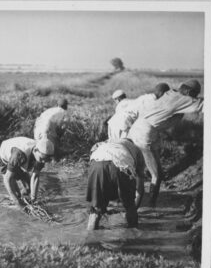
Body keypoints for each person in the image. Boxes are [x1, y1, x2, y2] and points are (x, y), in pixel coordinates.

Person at [127, 79, 203, 207]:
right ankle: (148, 205)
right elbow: (203, 105)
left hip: (136, 129)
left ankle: (137, 201)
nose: (194, 98)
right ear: (189, 92)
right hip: (145, 133)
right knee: (155, 175)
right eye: (194, 95)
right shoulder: (183, 98)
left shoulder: (170, 93)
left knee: (137, 168)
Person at [85, 138, 146, 230]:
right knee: (130, 206)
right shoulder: (136, 149)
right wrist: (132, 209)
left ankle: (91, 234)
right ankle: (133, 234)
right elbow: (140, 188)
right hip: (122, 165)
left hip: (97, 164)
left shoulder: (105, 143)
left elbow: (93, 150)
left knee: (96, 208)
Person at [0, 136, 54, 208]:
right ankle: (13, 202)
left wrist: (33, 199)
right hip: (4, 158)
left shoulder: (42, 153)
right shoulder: (19, 155)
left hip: (21, 158)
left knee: (28, 189)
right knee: (16, 193)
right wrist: (17, 201)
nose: (43, 162)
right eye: (42, 159)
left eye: (46, 160)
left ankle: (24, 199)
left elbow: (35, 176)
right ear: (35, 150)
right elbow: (7, 179)